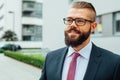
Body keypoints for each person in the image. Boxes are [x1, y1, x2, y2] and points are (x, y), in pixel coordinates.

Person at [40, 1, 120, 80]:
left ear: (93, 27)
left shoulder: (114, 63)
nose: (73, 25)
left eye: (80, 21)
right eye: (69, 20)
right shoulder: (50, 58)